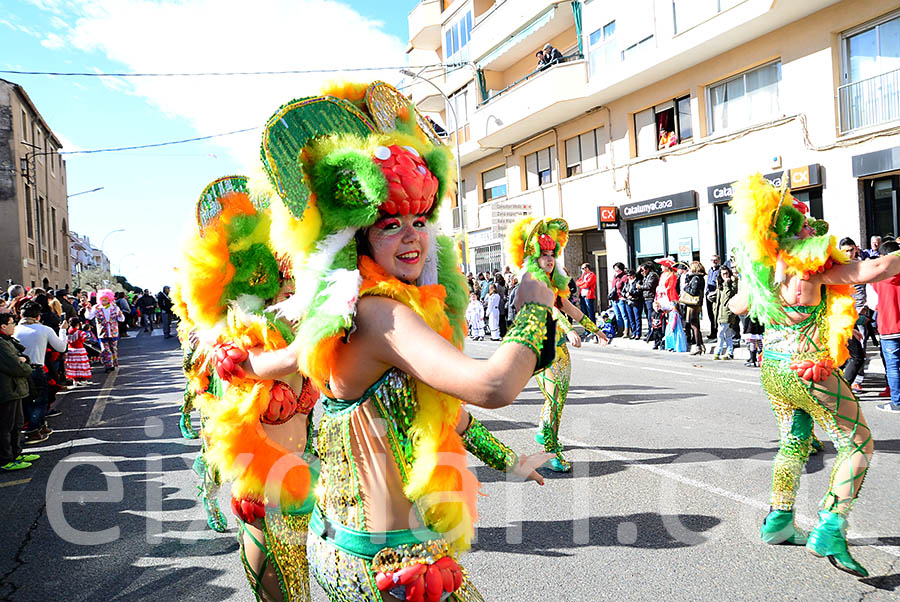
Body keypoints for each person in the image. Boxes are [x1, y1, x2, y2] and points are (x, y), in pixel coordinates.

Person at [176, 84, 554, 602]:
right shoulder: (380, 315)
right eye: (390, 224)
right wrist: (533, 308)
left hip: (348, 547)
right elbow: (491, 385)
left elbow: (441, 411)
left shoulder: (332, 321)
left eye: (420, 221)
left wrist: (506, 457)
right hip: (389, 568)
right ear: (356, 238)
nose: (413, 237)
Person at [728, 174, 900, 577]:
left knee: (793, 443)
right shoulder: (810, 264)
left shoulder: (764, 268)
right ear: (790, 230)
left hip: (773, 368)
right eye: (804, 222)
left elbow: (737, 306)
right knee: (858, 443)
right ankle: (831, 526)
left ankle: (778, 522)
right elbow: (871, 271)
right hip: (810, 368)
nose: (811, 226)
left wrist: (756, 285)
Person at [508, 216, 607, 472]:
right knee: (553, 399)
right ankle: (549, 451)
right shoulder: (532, 283)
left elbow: (568, 307)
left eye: (552, 254)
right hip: (541, 350)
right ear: (535, 259)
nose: (550, 259)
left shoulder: (554, 284)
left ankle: (544, 433)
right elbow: (550, 311)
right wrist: (569, 329)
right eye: (544, 255)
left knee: (558, 399)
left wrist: (595, 330)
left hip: (560, 349)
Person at [14, 301, 67, 443]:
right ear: (38, 316)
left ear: (21, 314)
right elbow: (61, 347)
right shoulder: (44, 329)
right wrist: (63, 330)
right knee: (40, 401)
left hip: (18, 370)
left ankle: (40, 426)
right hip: (36, 369)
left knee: (26, 401)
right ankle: (32, 431)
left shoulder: (14, 329)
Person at [0, 312, 37, 471]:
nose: (14, 326)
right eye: (11, 323)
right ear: (3, 326)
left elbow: (21, 359)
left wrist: (24, 361)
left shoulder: (7, 341)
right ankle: (6, 459)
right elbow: (17, 366)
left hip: (15, 389)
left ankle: (16, 453)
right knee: (6, 426)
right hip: (8, 390)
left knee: (17, 424)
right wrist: (26, 364)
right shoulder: (2, 344)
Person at [870, 239, 900, 414]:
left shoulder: (878, 279)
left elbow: (874, 305)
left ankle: (897, 401)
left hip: (889, 327)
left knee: (893, 367)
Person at [85, 289, 124, 372]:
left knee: (113, 349)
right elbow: (89, 317)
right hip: (102, 332)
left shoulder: (114, 307)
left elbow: (121, 319)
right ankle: (108, 365)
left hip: (113, 332)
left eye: (106, 299)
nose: (104, 301)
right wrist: (88, 310)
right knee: (105, 350)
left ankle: (113, 363)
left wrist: (120, 315)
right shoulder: (96, 307)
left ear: (109, 299)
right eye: (102, 299)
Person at [655, 257, 686, 352]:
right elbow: (660, 285)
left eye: (662, 266)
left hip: (669, 298)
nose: (661, 267)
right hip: (662, 297)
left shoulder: (672, 275)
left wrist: (663, 292)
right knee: (666, 321)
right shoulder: (662, 275)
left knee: (674, 321)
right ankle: (668, 343)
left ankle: (676, 343)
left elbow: (671, 287)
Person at [712, 265, 737, 360]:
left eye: (726, 273)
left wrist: (727, 284)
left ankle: (718, 351)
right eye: (722, 274)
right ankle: (730, 352)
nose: (725, 276)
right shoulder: (720, 283)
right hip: (720, 311)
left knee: (720, 333)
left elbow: (729, 295)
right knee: (727, 334)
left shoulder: (732, 283)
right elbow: (719, 299)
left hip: (727, 312)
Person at [682, 261, 706, 355]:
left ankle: (698, 346)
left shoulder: (696, 278)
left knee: (694, 325)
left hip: (693, 305)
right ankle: (700, 345)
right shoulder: (699, 277)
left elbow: (693, 291)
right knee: (696, 325)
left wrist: (686, 287)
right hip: (696, 304)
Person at [65, 317, 92, 385]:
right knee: (82, 366)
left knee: (73, 366)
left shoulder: (67, 331)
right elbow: (83, 339)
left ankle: (75, 380)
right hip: (79, 350)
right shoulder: (80, 333)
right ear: (78, 324)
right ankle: (82, 379)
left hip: (70, 350)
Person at [622, 268, 643, 340]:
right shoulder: (627, 283)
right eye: (628, 275)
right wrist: (626, 295)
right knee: (631, 318)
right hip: (628, 302)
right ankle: (633, 332)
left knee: (637, 318)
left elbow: (639, 292)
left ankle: (638, 333)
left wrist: (631, 293)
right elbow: (623, 291)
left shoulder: (638, 282)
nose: (629, 277)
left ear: (634, 275)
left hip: (636, 301)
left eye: (630, 275)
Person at [576, 263, 597, 329]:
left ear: (587, 268)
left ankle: (593, 328)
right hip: (582, 296)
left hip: (588, 296)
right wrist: (583, 284)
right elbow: (577, 282)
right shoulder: (583, 276)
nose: (582, 270)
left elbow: (587, 284)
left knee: (590, 313)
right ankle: (587, 329)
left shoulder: (592, 275)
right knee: (584, 313)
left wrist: (582, 284)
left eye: (582, 268)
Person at [610, 262, 628, 337]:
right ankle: (620, 331)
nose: (616, 270)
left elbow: (626, 287)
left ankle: (626, 331)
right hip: (614, 298)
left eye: (617, 268)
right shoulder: (615, 276)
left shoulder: (624, 276)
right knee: (618, 316)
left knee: (624, 315)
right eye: (615, 268)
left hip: (621, 298)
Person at [705, 255, 721, 340]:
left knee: (716, 314)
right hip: (708, 294)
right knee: (710, 314)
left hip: (715, 295)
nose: (714, 262)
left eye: (715, 260)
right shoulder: (710, 270)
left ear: (719, 261)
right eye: (712, 260)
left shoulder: (720, 270)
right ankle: (713, 332)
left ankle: (717, 332)